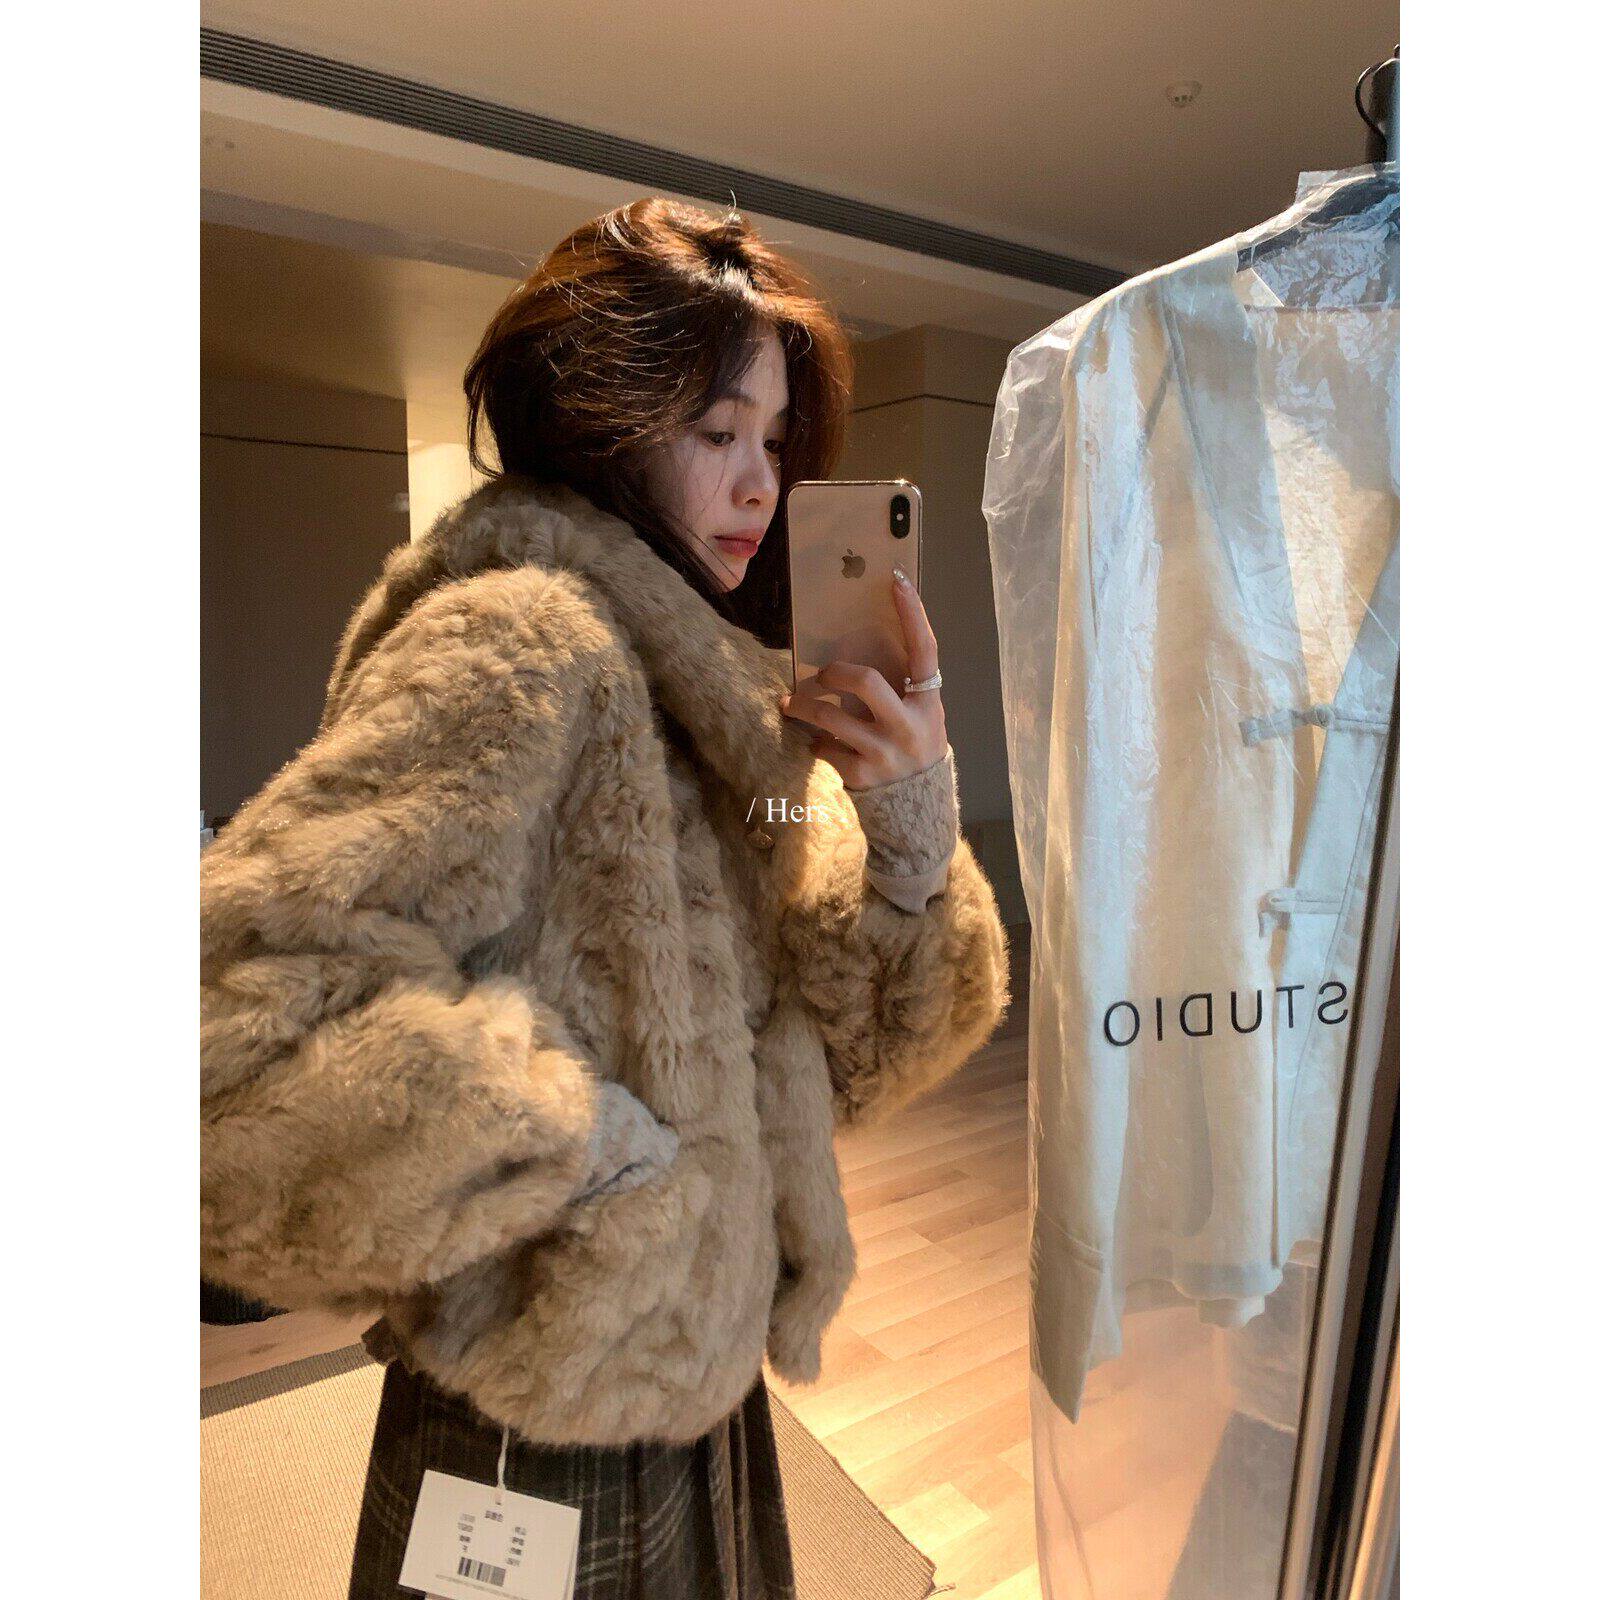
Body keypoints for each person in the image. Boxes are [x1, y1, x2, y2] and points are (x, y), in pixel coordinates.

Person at [199, 196, 1011, 1600]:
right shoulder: (519, 639)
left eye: (774, 442)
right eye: (715, 434)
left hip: (692, 1362)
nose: (759, 487)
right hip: (542, 1394)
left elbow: (855, 1049)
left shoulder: (714, 692)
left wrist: (907, 822)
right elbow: (235, 1036)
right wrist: (591, 1151)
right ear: (604, 424)